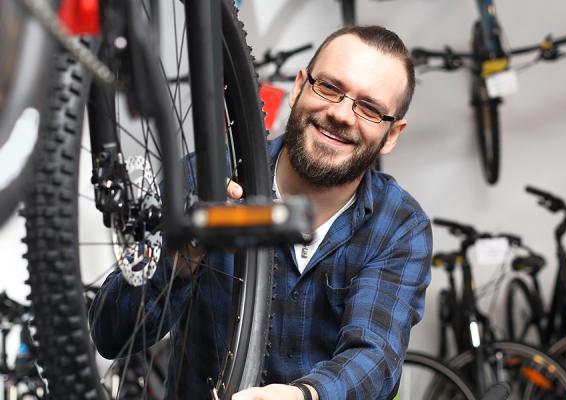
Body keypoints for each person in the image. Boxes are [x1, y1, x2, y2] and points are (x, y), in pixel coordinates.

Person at [90, 25, 432, 400]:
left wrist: (306, 396)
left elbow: (375, 355)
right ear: (299, 86)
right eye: (330, 88)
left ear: (393, 134)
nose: (342, 114)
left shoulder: (398, 224)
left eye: (368, 108)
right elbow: (110, 333)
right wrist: (179, 258)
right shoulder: (208, 178)